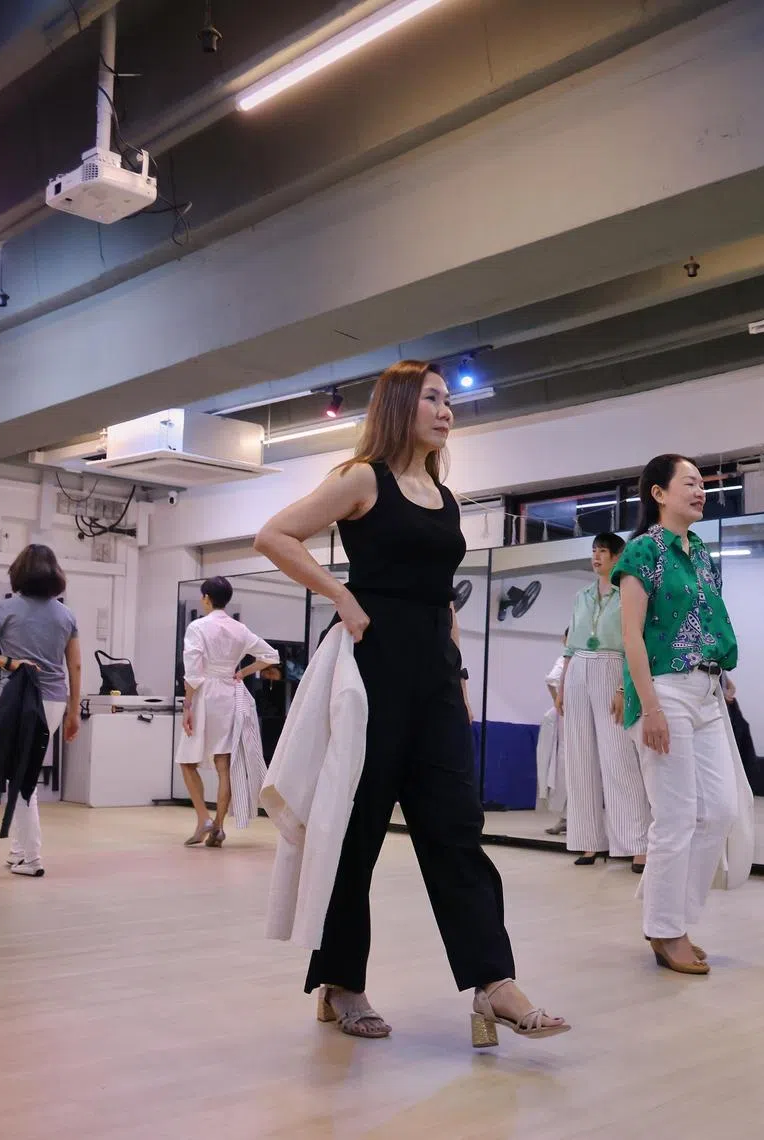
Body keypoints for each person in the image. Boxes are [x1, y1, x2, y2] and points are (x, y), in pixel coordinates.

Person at [255, 359, 568, 1043]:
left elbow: (441, 597)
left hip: (433, 674)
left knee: (457, 830)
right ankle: (341, 981)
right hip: (372, 675)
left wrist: (457, 680)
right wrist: (340, 596)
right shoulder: (361, 478)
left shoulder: (446, 498)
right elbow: (274, 535)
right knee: (356, 834)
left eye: (449, 400)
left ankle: (495, 982)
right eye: (431, 397)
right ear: (399, 406)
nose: (445, 410)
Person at [613, 454, 741, 976]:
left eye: (702, 483)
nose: (700, 490)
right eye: (688, 483)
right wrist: (650, 706)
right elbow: (631, 636)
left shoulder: (702, 554)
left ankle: (673, 920)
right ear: (658, 494)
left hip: (706, 690)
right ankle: (667, 930)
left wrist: (721, 672)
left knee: (720, 811)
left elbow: (708, 621)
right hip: (664, 690)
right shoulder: (643, 551)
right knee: (675, 815)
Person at [0, 545, 81, 877]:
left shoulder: (5, 608)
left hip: (19, 698)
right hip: (55, 700)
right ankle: (18, 851)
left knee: (22, 776)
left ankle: (31, 858)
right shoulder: (65, 614)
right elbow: (76, 666)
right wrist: (73, 713)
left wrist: (8, 662)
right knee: (19, 771)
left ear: (19, 573)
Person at [558, 534, 649, 869]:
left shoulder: (629, 594)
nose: (596, 557)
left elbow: (634, 643)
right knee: (579, 758)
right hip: (579, 667)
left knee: (619, 759)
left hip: (613, 667)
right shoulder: (580, 596)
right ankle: (587, 842)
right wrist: (565, 684)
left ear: (618, 556)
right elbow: (570, 646)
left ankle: (638, 844)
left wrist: (626, 689)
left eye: (603, 551)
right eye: (593, 551)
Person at [175, 576, 279, 847]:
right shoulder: (240, 629)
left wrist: (187, 705)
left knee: (187, 761)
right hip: (231, 694)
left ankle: (203, 818)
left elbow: (193, 672)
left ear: (207, 598)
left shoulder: (198, 627)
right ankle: (218, 827)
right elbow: (271, 656)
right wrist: (242, 672)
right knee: (224, 765)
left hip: (205, 694)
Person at [541, 631, 567, 835]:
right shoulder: (565, 659)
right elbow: (551, 680)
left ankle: (569, 818)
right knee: (566, 768)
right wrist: (559, 702)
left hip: (570, 717)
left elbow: (551, 680)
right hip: (567, 719)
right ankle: (567, 817)